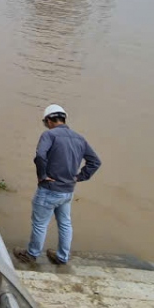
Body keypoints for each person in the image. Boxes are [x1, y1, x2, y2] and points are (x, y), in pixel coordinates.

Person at [14, 104, 101, 266]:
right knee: (65, 224)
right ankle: (62, 257)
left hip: (49, 190)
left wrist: (42, 176)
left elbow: (40, 155)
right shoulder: (79, 138)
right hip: (67, 191)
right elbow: (95, 162)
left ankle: (31, 254)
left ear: (49, 120)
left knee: (40, 224)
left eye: (45, 122)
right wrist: (79, 177)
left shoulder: (49, 135)